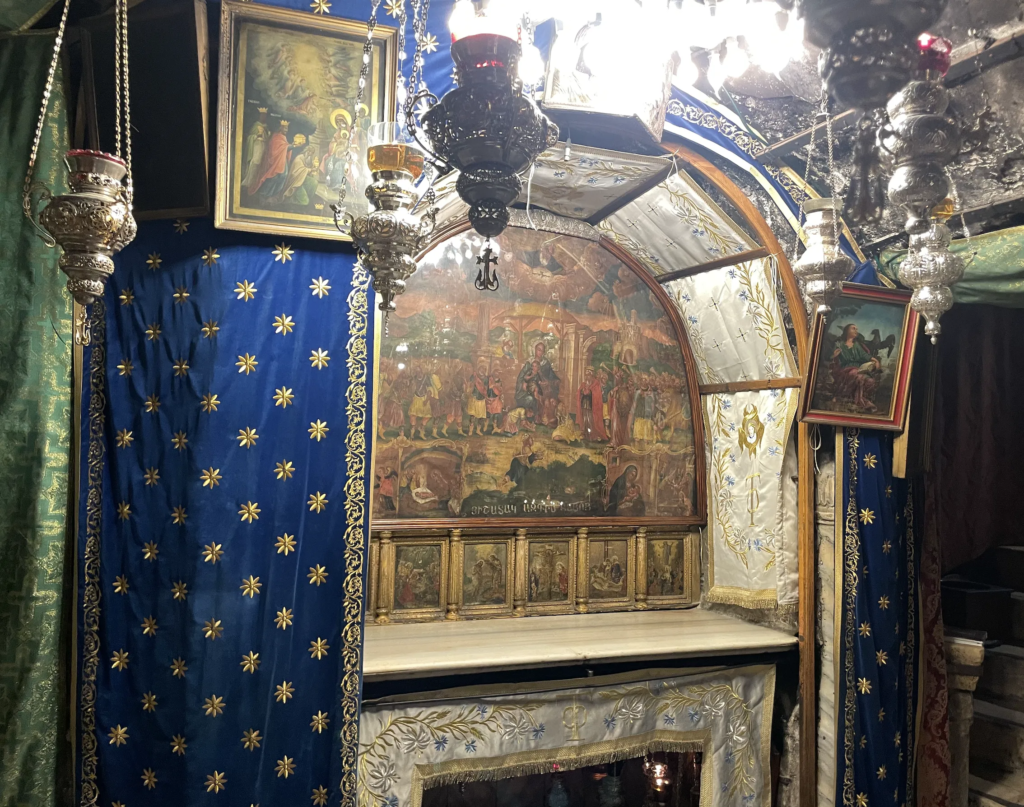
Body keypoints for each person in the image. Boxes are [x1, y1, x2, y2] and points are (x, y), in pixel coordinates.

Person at [830, 323, 881, 412]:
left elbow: (865, 355)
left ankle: (857, 398)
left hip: (859, 369)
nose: (856, 331)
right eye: (853, 328)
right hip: (846, 369)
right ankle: (861, 400)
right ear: (847, 331)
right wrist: (834, 356)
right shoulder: (840, 344)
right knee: (856, 374)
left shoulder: (857, 345)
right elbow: (831, 359)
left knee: (870, 381)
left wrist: (875, 360)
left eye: (856, 329)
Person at [515, 342, 560, 427]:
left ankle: (548, 419)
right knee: (535, 396)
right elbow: (521, 377)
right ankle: (538, 417)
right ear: (535, 350)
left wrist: (552, 382)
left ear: (544, 352)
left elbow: (551, 376)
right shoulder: (530, 363)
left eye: (542, 351)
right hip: (530, 388)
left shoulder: (546, 363)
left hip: (543, 388)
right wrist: (523, 384)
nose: (540, 352)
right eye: (538, 350)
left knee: (547, 399)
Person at [249, 119, 292, 195]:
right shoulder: (276, 136)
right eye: (285, 128)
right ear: (281, 128)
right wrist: (291, 146)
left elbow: (285, 147)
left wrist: (290, 146)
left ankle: (274, 194)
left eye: (287, 128)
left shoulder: (283, 137)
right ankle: (264, 193)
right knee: (274, 177)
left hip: (282, 160)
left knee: (283, 176)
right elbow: (275, 150)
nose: (286, 130)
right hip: (275, 161)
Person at [576, 367, 607, 441]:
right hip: (584, 404)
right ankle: (584, 433)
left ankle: (592, 434)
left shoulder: (596, 384)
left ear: (592, 375)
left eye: (588, 375)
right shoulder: (583, 384)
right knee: (584, 419)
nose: (587, 377)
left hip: (591, 406)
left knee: (590, 420)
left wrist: (590, 392)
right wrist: (581, 392)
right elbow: (578, 393)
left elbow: (597, 395)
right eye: (586, 375)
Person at [629, 374, 658, 448]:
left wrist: (654, 419)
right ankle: (636, 455)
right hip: (638, 416)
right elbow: (634, 405)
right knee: (637, 438)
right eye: (642, 380)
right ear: (640, 381)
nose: (644, 381)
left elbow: (653, 406)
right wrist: (632, 418)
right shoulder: (637, 392)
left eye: (645, 380)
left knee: (646, 439)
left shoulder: (651, 393)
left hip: (647, 417)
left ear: (647, 381)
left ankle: (646, 456)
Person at [466, 362, 489, 436]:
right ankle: (470, 430)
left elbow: (486, 388)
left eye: (484, 369)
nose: (482, 370)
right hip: (474, 397)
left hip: (481, 399)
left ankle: (478, 430)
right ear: (479, 368)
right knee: (472, 416)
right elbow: (469, 383)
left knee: (481, 417)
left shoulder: (485, 378)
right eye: (481, 368)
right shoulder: (474, 375)